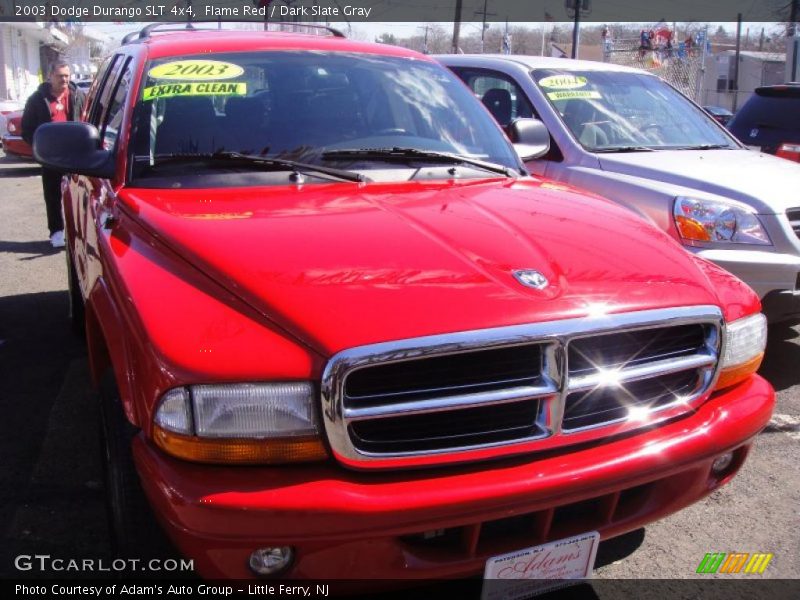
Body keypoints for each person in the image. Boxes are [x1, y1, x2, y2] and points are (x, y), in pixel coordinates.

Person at [21, 60, 85, 248]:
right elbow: (27, 129)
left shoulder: (78, 96)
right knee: (52, 195)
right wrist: (41, 147)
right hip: (51, 157)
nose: (64, 79)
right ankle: (56, 232)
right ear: (50, 77)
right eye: (59, 76)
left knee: (77, 194)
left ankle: (78, 231)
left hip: (75, 157)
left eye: (66, 76)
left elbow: (88, 120)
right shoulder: (36, 100)